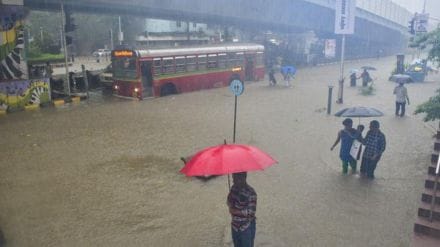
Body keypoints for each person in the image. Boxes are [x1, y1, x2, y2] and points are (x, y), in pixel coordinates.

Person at [227, 172, 257, 247]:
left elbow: (251, 212)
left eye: (236, 179)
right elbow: (229, 203)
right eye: (233, 178)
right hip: (235, 226)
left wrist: (235, 211)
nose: (233, 181)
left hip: (246, 228)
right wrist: (229, 199)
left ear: (244, 178)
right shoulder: (233, 188)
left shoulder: (251, 192)